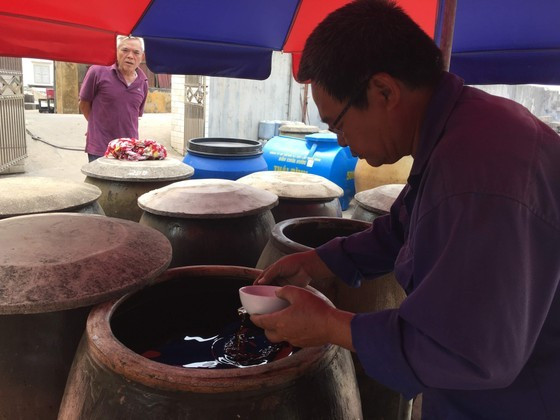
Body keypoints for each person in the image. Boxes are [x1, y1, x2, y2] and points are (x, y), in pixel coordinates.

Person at [251, 0, 560, 418]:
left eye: (338, 123)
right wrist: (319, 261)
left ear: (384, 91)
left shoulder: (476, 173)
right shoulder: (464, 127)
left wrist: (329, 325)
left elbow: (462, 348)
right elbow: (406, 227)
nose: (341, 141)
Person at [79, 36, 149, 161]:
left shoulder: (143, 82)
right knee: (99, 180)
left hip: (129, 149)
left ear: (142, 57)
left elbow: (134, 115)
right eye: (125, 50)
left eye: (136, 52)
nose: (130, 56)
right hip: (100, 147)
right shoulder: (97, 71)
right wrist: (94, 126)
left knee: (128, 181)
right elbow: (84, 103)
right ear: (116, 51)